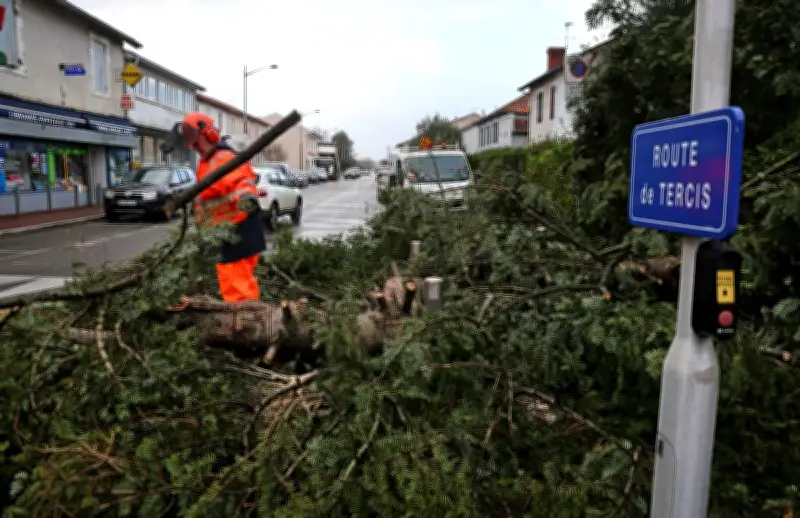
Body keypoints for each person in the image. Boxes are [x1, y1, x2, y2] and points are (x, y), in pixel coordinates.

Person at [165, 112, 266, 302]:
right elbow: (209, 195)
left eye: (195, 140)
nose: (194, 146)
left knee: (237, 294)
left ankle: (245, 319)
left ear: (209, 134)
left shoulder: (225, 158)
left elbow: (243, 182)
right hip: (226, 233)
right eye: (190, 141)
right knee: (240, 287)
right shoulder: (206, 162)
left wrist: (247, 200)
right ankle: (251, 316)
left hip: (236, 233)